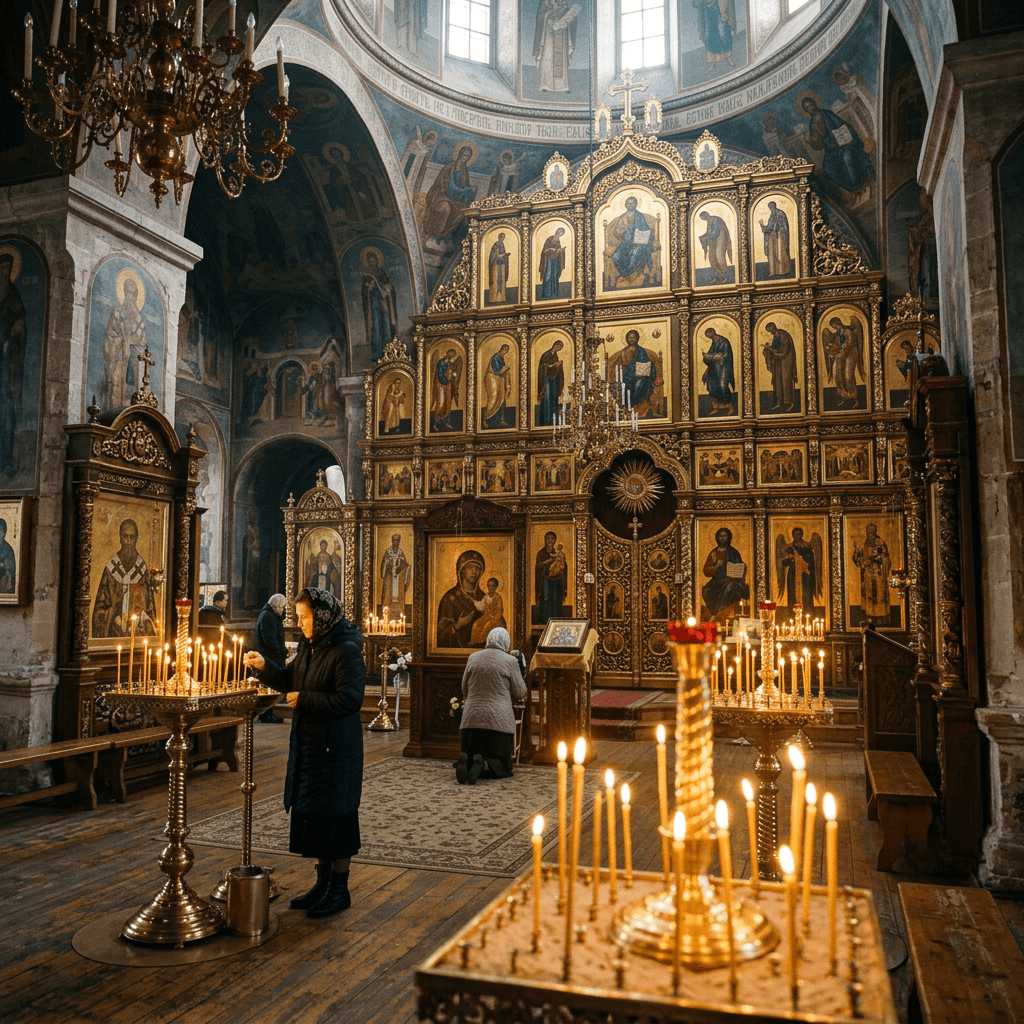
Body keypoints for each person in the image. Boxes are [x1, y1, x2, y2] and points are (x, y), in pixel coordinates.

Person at [243, 588, 366, 918]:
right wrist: (264, 666)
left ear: (323, 616)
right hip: (312, 744)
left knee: (336, 818)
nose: (300, 624)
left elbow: (351, 700)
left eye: (305, 618)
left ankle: (339, 890)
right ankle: (322, 884)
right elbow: (289, 678)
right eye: (298, 618)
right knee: (317, 817)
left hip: (337, 749)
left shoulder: (346, 650)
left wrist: (306, 700)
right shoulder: (313, 647)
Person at [454, 627, 527, 784]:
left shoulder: (473, 657)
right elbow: (520, 692)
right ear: (506, 642)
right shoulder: (510, 661)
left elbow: (464, 689)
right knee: (504, 766)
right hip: (498, 723)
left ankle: (468, 760)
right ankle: (485, 761)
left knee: (472, 750)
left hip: (470, 721)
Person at [91, 518, 158, 638]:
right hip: (113, 633)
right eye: (125, 536)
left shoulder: (142, 570)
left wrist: (143, 620)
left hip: (137, 634)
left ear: (136, 539)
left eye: (131, 537)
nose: (128, 541)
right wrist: (113, 617)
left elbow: (150, 608)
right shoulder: (111, 568)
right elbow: (99, 609)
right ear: (120, 538)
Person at [800, 95, 873, 197]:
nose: (810, 109)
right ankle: (852, 188)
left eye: (810, 105)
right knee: (828, 167)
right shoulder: (812, 123)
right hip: (831, 151)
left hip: (844, 144)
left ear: (815, 104)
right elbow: (819, 145)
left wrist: (841, 137)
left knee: (847, 157)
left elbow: (843, 125)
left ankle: (859, 184)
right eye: (807, 108)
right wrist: (809, 140)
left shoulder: (827, 114)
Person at [102, 275, 149, 410]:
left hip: (133, 363)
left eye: (133, 295)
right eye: (128, 293)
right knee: (117, 393)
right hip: (120, 360)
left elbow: (143, 342)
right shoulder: (117, 312)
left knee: (132, 392)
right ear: (123, 293)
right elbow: (110, 335)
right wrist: (122, 342)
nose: (131, 298)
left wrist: (132, 345)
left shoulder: (139, 318)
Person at [0, 252, 26, 478]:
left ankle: (6, 460)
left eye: (6, 270)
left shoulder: (13, 298)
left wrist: (10, 338)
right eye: (0, 270)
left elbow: (20, 330)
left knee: (5, 409)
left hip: (4, 365)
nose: (3, 274)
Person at [423, 146, 477, 241]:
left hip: (455, 199)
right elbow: (450, 187)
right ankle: (434, 233)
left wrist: (470, 189)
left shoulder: (464, 170)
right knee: (445, 208)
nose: (466, 158)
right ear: (460, 154)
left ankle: (445, 235)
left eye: (468, 156)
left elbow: (464, 186)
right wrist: (466, 190)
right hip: (441, 195)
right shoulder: (450, 167)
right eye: (464, 155)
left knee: (462, 211)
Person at [437, 549, 487, 647]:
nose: (474, 572)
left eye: (477, 568)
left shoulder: (484, 597)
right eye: (470, 568)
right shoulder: (450, 598)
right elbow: (440, 634)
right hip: (455, 651)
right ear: (462, 571)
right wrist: (458, 625)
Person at [700, 527, 749, 623]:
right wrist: (715, 567)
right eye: (720, 536)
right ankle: (715, 614)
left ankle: (721, 613)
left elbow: (740, 567)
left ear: (729, 538)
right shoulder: (714, 553)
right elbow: (706, 571)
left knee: (731, 588)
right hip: (717, 580)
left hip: (732, 580)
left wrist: (739, 568)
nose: (722, 538)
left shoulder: (734, 552)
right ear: (717, 538)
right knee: (706, 591)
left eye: (724, 536)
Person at [532, 0, 580, 93]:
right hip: (548, 31)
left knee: (562, 57)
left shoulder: (563, 1)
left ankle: (563, 86)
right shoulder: (545, 1)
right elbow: (540, 16)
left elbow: (568, 14)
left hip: (562, 31)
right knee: (547, 56)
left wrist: (569, 17)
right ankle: (545, 84)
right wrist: (548, 18)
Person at [253, 593, 287, 723]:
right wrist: (280, 650)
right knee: (268, 687)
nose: (283, 610)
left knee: (270, 687)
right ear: (276, 606)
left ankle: (268, 712)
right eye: (282, 607)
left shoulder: (270, 615)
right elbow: (270, 640)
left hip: (271, 657)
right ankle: (266, 713)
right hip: (269, 658)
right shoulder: (268, 616)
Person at [609, 196, 655, 287]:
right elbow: (616, 232)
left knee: (637, 252)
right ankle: (625, 274)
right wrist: (623, 230)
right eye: (628, 203)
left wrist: (640, 235)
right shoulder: (623, 217)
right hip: (626, 243)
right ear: (625, 205)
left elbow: (646, 229)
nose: (630, 205)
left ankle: (635, 275)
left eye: (632, 203)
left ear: (636, 204)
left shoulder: (640, 216)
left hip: (638, 242)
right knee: (616, 255)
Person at [361, 250, 397, 362]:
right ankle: (377, 353)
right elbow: (364, 291)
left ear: (377, 261)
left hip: (384, 302)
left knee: (386, 324)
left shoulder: (381, 272)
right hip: (373, 304)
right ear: (367, 262)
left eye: (373, 261)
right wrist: (368, 287)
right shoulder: (366, 275)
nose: (372, 263)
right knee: (376, 326)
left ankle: (389, 352)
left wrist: (387, 287)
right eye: (370, 261)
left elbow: (389, 286)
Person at [852, 524, 892, 624]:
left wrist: (876, 560)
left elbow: (885, 557)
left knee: (880, 594)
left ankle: (881, 617)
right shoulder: (862, 543)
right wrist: (861, 560)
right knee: (869, 594)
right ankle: (869, 617)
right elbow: (857, 557)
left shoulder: (880, 543)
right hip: (868, 574)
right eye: (868, 530)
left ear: (875, 531)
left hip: (879, 574)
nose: (870, 532)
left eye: (872, 530)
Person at [822, 315, 865, 407]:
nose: (835, 328)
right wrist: (832, 348)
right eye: (833, 327)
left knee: (848, 376)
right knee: (839, 375)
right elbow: (838, 344)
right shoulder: (838, 333)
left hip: (851, 354)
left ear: (839, 323)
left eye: (835, 326)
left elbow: (849, 343)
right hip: (841, 354)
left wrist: (840, 349)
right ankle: (844, 397)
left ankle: (855, 398)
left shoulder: (848, 331)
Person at [762, 321, 798, 411]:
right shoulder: (775, 336)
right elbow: (776, 349)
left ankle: (791, 403)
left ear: (774, 327)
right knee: (777, 381)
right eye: (769, 331)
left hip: (786, 362)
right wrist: (768, 349)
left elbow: (784, 351)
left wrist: (770, 349)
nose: (771, 332)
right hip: (778, 362)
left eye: (771, 330)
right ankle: (779, 402)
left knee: (786, 381)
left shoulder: (783, 335)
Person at [693, 0, 736, 74]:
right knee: (710, 37)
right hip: (706, 9)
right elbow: (695, 3)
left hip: (719, 7)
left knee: (724, 33)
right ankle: (712, 62)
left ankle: (728, 57)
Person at [701, 326, 736, 414]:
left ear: (713, 333)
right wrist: (707, 356)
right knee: (711, 386)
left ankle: (729, 406)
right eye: (708, 337)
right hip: (714, 368)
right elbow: (712, 354)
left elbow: (726, 355)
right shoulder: (714, 342)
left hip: (723, 368)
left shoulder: (723, 341)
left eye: (710, 336)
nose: (710, 338)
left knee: (722, 385)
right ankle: (716, 406)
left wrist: (714, 357)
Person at [534, 530, 567, 624]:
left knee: (556, 598)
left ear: (555, 540)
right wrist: (549, 561)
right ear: (545, 540)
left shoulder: (558, 552)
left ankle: (556, 620)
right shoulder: (541, 553)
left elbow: (564, 566)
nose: (550, 540)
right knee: (546, 598)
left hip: (557, 581)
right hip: (545, 580)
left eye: (552, 538)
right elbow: (538, 566)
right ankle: (545, 620)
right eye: (548, 538)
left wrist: (562, 564)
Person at [482, 343, 513, 428]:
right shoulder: (496, 357)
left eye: (506, 351)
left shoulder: (501, 358)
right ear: (502, 349)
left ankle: (501, 419)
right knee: (493, 398)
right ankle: (486, 419)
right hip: (492, 379)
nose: (505, 353)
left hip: (499, 379)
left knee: (501, 398)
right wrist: (506, 368)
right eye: (505, 351)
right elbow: (497, 370)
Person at [535, 338, 565, 426]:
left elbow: (555, 368)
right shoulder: (546, 355)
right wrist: (553, 365)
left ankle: (553, 418)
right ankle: (546, 419)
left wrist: (558, 365)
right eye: (558, 347)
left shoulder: (555, 355)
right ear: (555, 345)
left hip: (554, 379)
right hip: (547, 380)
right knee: (547, 398)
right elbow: (542, 367)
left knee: (553, 397)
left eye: (560, 349)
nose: (558, 349)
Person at [698, 210, 733, 284]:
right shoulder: (709, 222)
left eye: (704, 218)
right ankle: (717, 276)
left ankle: (725, 275)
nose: (705, 220)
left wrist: (707, 237)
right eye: (703, 219)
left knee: (719, 256)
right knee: (712, 257)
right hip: (713, 240)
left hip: (720, 239)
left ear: (706, 215)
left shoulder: (716, 219)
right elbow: (709, 233)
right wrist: (703, 237)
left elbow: (716, 231)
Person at [431, 347, 462, 430]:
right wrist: (447, 380)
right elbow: (440, 375)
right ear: (448, 353)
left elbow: (450, 373)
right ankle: (436, 422)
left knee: (448, 403)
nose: (452, 356)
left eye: (453, 355)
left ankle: (446, 421)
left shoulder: (450, 364)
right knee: (441, 403)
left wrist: (453, 376)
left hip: (448, 386)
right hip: (441, 385)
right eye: (451, 354)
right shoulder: (441, 363)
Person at [380, 533, 411, 616]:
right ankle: (386, 612)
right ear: (392, 541)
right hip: (389, 577)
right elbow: (383, 565)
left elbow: (404, 564)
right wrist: (387, 563)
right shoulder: (388, 551)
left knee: (397, 595)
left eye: (397, 540)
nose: (395, 542)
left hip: (397, 578)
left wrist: (404, 566)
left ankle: (399, 612)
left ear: (399, 542)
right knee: (388, 593)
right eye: (394, 540)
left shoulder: (400, 552)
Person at [759, 201, 792, 277]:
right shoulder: (775, 214)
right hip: (774, 237)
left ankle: (782, 270)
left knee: (779, 252)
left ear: (774, 206)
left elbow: (780, 226)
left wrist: (762, 226)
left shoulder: (779, 214)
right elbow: (771, 227)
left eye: (771, 207)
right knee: (773, 253)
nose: (771, 208)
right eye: (770, 207)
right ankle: (775, 271)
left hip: (778, 237)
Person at [470, 577, 506, 645]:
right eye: (489, 586)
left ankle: (480, 642)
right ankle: (474, 641)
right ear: (487, 586)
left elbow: (500, 610)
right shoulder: (486, 597)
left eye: (493, 586)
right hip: (486, 616)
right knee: (476, 624)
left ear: (496, 587)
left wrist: (495, 618)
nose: (491, 588)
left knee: (487, 626)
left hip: (496, 618)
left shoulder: (498, 597)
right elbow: (481, 606)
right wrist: (474, 602)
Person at [538, 227, 566, 299]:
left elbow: (558, 251)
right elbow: (545, 250)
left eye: (561, 234)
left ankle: (554, 292)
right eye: (560, 232)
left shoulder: (558, 241)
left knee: (554, 275)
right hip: (549, 260)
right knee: (548, 275)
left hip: (555, 260)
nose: (560, 234)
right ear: (557, 231)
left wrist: (560, 251)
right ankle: (547, 293)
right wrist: (551, 249)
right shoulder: (550, 239)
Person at [488, 234, 510, 303]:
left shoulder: (502, 244)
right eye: (501, 237)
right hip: (496, 266)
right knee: (496, 281)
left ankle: (502, 298)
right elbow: (493, 255)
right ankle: (494, 298)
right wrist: (501, 255)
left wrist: (505, 256)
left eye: (503, 237)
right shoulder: (497, 244)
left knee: (501, 281)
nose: (502, 238)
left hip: (501, 266)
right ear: (499, 237)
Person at [0, 518, 16, 594]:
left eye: (0, 530)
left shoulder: (8, 549)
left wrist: (4, 566)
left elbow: (11, 569)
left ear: (4, 532)